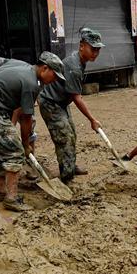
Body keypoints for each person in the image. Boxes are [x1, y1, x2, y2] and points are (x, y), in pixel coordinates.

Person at [0, 52, 65, 211]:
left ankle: (1, 192)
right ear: (44, 68)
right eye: (54, 76)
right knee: (14, 152)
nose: (54, 80)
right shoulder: (31, 84)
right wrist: (25, 144)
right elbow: (26, 119)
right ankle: (11, 198)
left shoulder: (18, 63)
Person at [38, 28, 104, 184]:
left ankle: (70, 166)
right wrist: (92, 119)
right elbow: (77, 98)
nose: (95, 53)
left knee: (71, 133)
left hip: (61, 102)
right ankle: (66, 177)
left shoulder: (80, 61)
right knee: (64, 137)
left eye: (98, 49)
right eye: (92, 48)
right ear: (82, 46)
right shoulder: (74, 66)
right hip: (51, 103)